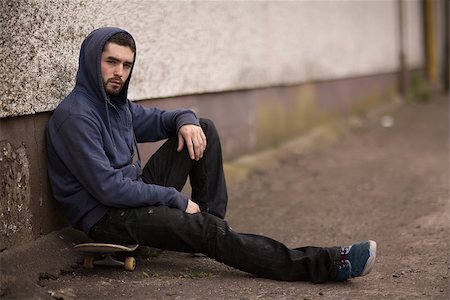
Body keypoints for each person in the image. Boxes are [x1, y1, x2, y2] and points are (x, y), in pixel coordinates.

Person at [46, 27, 376, 283]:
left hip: (130, 199)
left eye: (127, 64)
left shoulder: (119, 107)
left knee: (203, 128)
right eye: (111, 62)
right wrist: (175, 200)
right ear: (92, 61)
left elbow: (167, 118)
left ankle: (209, 228)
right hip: (107, 218)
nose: (120, 71)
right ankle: (327, 263)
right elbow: (109, 189)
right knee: (205, 230)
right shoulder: (76, 117)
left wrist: (186, 121)